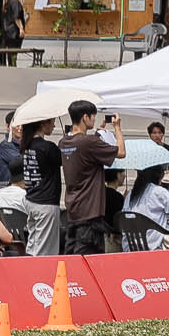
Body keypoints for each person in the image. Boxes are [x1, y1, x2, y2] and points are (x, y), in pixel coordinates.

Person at [59, 102, 124, 257]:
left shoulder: (64, 142)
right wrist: (117, 128)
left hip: (73, 208)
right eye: (93, 116)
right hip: (90, 211)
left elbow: (83, 152)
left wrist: (97, 134)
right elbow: (121, 152)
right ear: (85, 117)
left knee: (71, 257)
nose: (94, 120)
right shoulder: (89, 142)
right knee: (88, 258)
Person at [126, 162, 169, 261]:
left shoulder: (131, 194)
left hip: (131, 245)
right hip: (152, 244)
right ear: (159, 177)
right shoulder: (158, 191)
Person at [17, 120, 62, 256]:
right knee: (46, 251)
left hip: (31, 200)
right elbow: (62, 160)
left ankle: (29, 274)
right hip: (46, 203)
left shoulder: (27, 145)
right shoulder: (48, 147)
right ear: (43, 124)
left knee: (33, 246)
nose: (54, 126)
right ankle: (40, 277)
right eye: (52, 122)